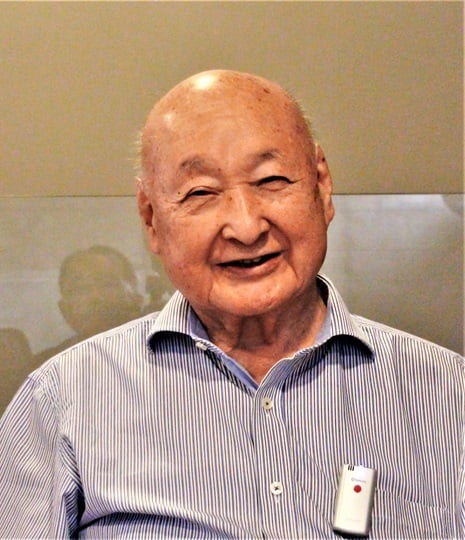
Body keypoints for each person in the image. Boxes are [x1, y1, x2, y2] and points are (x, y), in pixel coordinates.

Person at [0, 70, 463, 539]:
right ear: (151, 218)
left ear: (322, 186)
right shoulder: (62, 402)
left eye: (271, 180)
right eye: (200, 193)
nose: (246, 227)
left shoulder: (448, 395)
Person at [34, 245, 144, 363]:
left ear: (136, 300)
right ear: (65, 310)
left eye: (107, 284)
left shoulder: (158, 357)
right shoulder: (43, 368)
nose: (95, 297)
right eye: (80, 289)